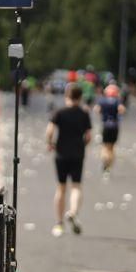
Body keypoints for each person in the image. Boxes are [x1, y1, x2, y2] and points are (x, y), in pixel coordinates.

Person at [46, 84, 92, 237]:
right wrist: (82, 145)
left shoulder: (59, 112)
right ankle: (72, 212)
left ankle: (59, 223)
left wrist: (50, 143)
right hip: (78, 153)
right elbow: (88, 136)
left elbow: (50, 131)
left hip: (61, 153)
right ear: (80, 97)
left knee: (61, 188)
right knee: (76, 186)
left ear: (67, 95)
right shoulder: (84, 114)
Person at [94, 83, 125, 177]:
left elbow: (96, 110)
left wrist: (103, 113)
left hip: (106, 125)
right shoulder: (117, 100)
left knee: (105, 146)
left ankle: (105, 163)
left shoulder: (102, 100)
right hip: (115, 125)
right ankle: (109, 168)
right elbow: (121, 110)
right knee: (111, 148)